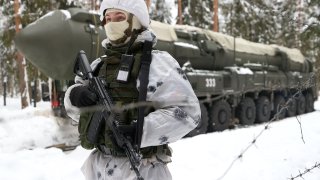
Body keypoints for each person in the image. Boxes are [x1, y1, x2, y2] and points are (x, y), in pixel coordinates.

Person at [64, 0, 201, 179]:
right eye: (108, 18)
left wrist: (140, 131)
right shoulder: (98, 65)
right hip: (98, 167)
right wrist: (74, 96)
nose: (112, 23)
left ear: (137, 20)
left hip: (143, 167)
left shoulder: (157, 63)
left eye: (119, 17)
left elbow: (188, 114)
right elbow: (75, 113)